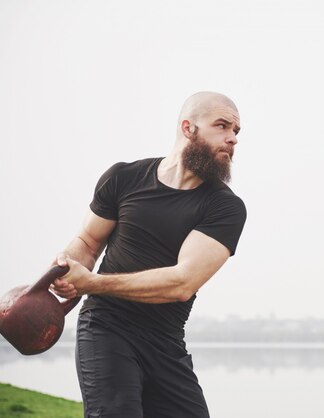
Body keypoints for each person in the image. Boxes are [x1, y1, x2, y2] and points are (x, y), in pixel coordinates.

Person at [50, 91, 247, 418]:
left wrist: (91, 282)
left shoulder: (225, 207)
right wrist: (63, 273)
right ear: (188, 128)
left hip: (166, 343)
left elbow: (181, 283)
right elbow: (86, 242)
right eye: (222, 126)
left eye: (236, 131)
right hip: (106, 328)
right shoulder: (123, 178)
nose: (232, 139)